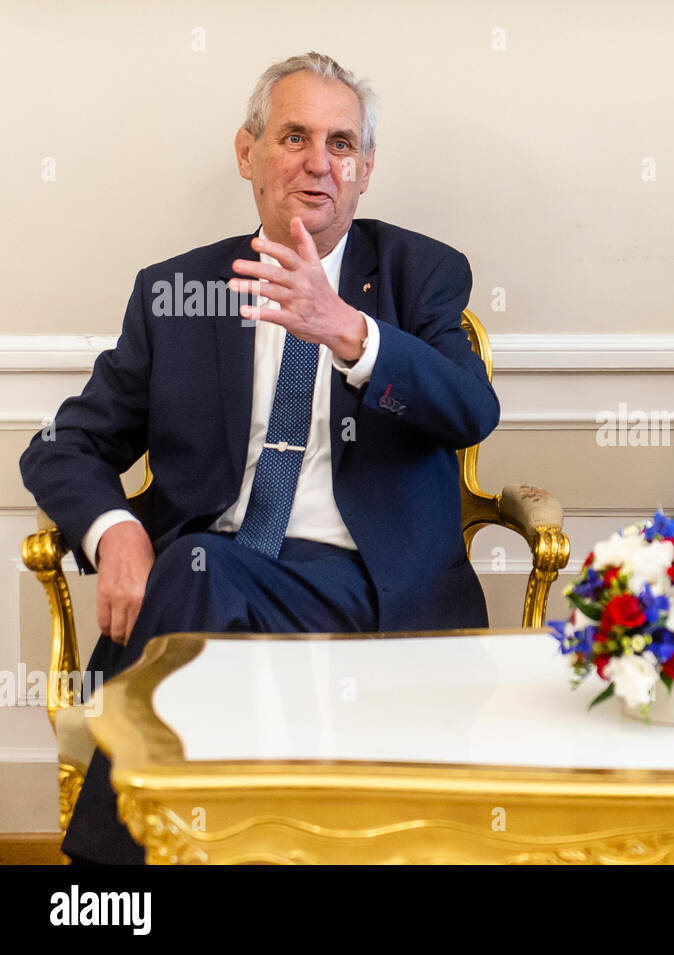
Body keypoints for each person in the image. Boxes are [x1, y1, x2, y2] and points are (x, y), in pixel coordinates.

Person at [20, 52, 499, 863]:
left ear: (366, 168)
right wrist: (115, 532)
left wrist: (348, 330)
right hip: (215, 582)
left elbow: (469, 411)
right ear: (247, 153)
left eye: (342, 143)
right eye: (295, 137)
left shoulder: (420, 273)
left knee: (198, 568)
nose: (320, 163)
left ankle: (103, 877)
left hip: (369, 586)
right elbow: (67, 443)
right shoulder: (178, 291)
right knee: (200, 567)